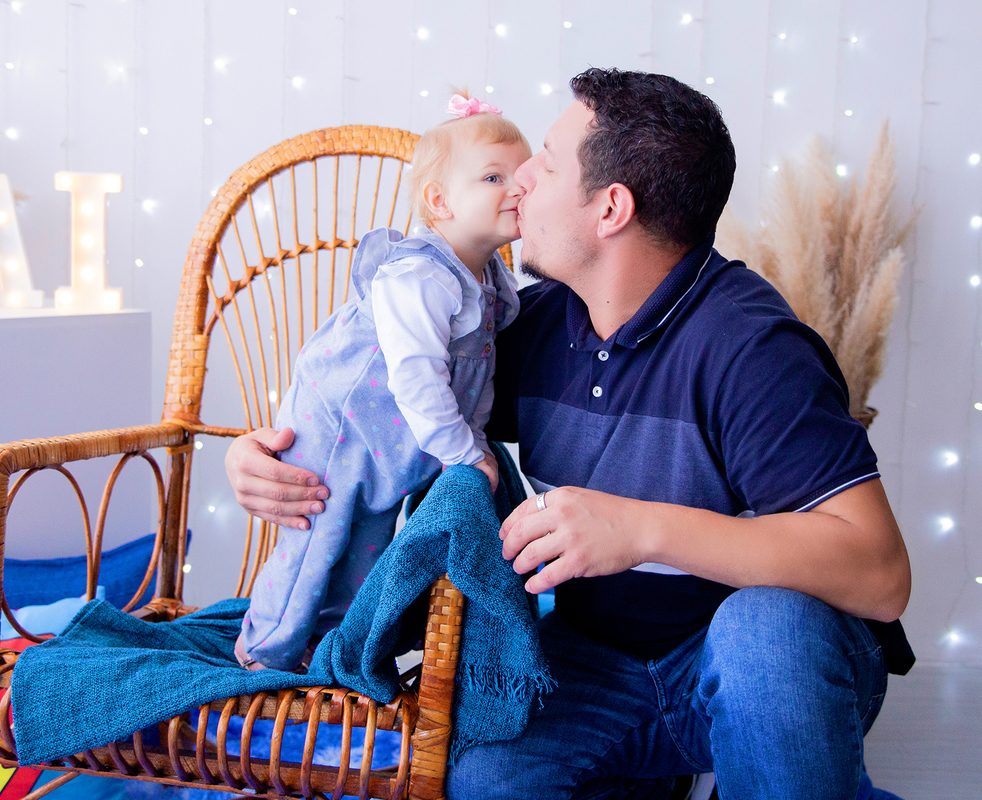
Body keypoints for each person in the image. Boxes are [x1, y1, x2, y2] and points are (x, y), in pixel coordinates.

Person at [225, 68, 912, 799]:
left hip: (745, 662)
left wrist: (639, 530)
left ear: (610, 208)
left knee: (766, 629)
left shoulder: (752, 349)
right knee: (478, 774)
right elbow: (393, 410)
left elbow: (881, 576)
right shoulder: (535, 326)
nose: (522, 179)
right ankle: (656, 780)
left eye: (546, 162)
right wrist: (263, 451)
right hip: (600, 662)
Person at [233, 94, 532, 672]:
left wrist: (468, 442)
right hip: (340, 427)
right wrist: (464, 451)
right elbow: (418, 376)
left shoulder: (492, 279)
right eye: (494, 177)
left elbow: (477, 376)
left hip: (389, 442)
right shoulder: (420, 274)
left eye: (523, 177)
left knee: (366, 554)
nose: (517, 189)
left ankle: (331, 650)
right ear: (439, 201)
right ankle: (265, 650)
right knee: (318, 540)